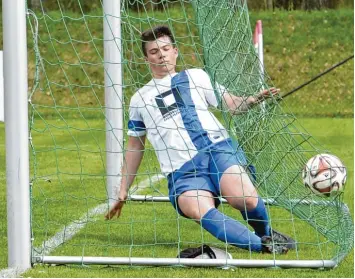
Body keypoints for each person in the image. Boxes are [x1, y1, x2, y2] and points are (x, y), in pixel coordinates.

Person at [105, 25, 295, 254]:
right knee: (198, 209)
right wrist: (123, 189)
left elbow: (231, 104)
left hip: (217, 150)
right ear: (147, 59)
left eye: (165, 48)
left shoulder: (196, 76)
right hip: (181, 171)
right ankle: (263, 247)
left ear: (175, 51)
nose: (161, 54)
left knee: (244, 199)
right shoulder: (139, 99)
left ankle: (265, 232)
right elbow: (135, 146)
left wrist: (253, 100)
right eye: (154, 51)